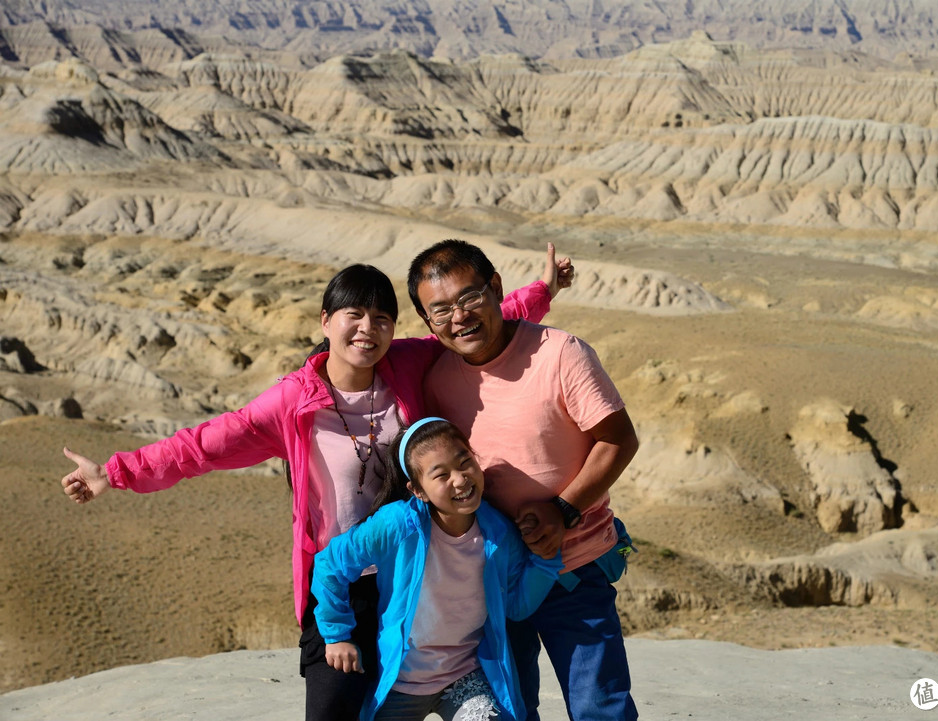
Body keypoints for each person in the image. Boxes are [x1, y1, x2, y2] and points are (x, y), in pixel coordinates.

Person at [59, 246, 574, 721]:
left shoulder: (407, 364)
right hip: (341, 584)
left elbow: (471, 325)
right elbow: (201, 445)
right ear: (326, 321)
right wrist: (114, 473)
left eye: (382, 319)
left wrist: (542, 291)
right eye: (354, 315)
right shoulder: (293, 401)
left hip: (410, 574)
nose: (367, 330)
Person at [407, 240, 639, 721]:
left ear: (495, 288)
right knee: (509, 710)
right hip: (490, 579)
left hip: (575, 568)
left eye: (469, 298)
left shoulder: (561, 353)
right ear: (428, 322)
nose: (460, 317)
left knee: (600, 707)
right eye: (441, 310)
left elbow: (619, 440)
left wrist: (564, 511)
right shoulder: (439, 381)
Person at [312, 417, 562, 721]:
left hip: (466, 679)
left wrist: (545, 558)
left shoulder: (498, 533)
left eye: (465, 462)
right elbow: (330, 564)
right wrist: (337, 635)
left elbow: (516, 605)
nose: (460, 479)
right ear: (418, 491)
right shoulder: (397, 525)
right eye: (441, 475)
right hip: (399, 682)